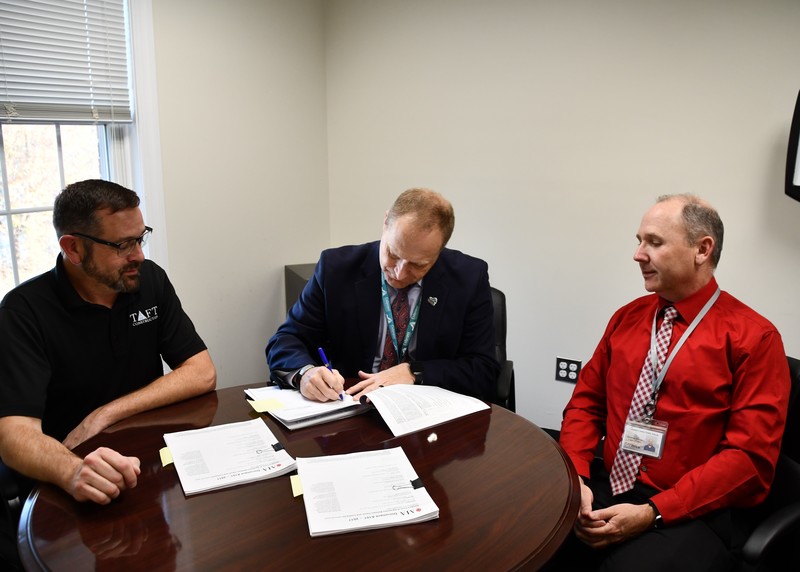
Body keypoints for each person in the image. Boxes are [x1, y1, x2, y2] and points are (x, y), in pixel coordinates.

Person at [547, 194, 790, 572]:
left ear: (702, 249)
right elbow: (586, 403)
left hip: (691, 509)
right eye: (639, 240)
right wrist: (576, 476)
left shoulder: (754, 339)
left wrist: (653, 513)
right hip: (608, 482)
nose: (638, 254)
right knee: (529, 538)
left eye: (654, 242)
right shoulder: (626, 318)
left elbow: (748, 460)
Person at [0, 179, 216, 568]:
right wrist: (73, 470)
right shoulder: (23, 312)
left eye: (140, 237)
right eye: (121, 245)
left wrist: (104, 414)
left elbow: (201, 371)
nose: (137, 255)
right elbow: (14, 435)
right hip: (67, 489)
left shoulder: (149, 280)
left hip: (145, 467)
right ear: (73, 248)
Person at [266, 187, 499, 403]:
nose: (399, 273)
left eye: (418, 265)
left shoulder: (469, 277)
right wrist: (305, 372)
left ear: (439, 251)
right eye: (393, 254)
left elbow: (483, 370)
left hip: (427, 414)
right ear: (386, 222)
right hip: (351, 406)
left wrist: (414, 371)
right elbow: (286, 340)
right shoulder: (335, 269)